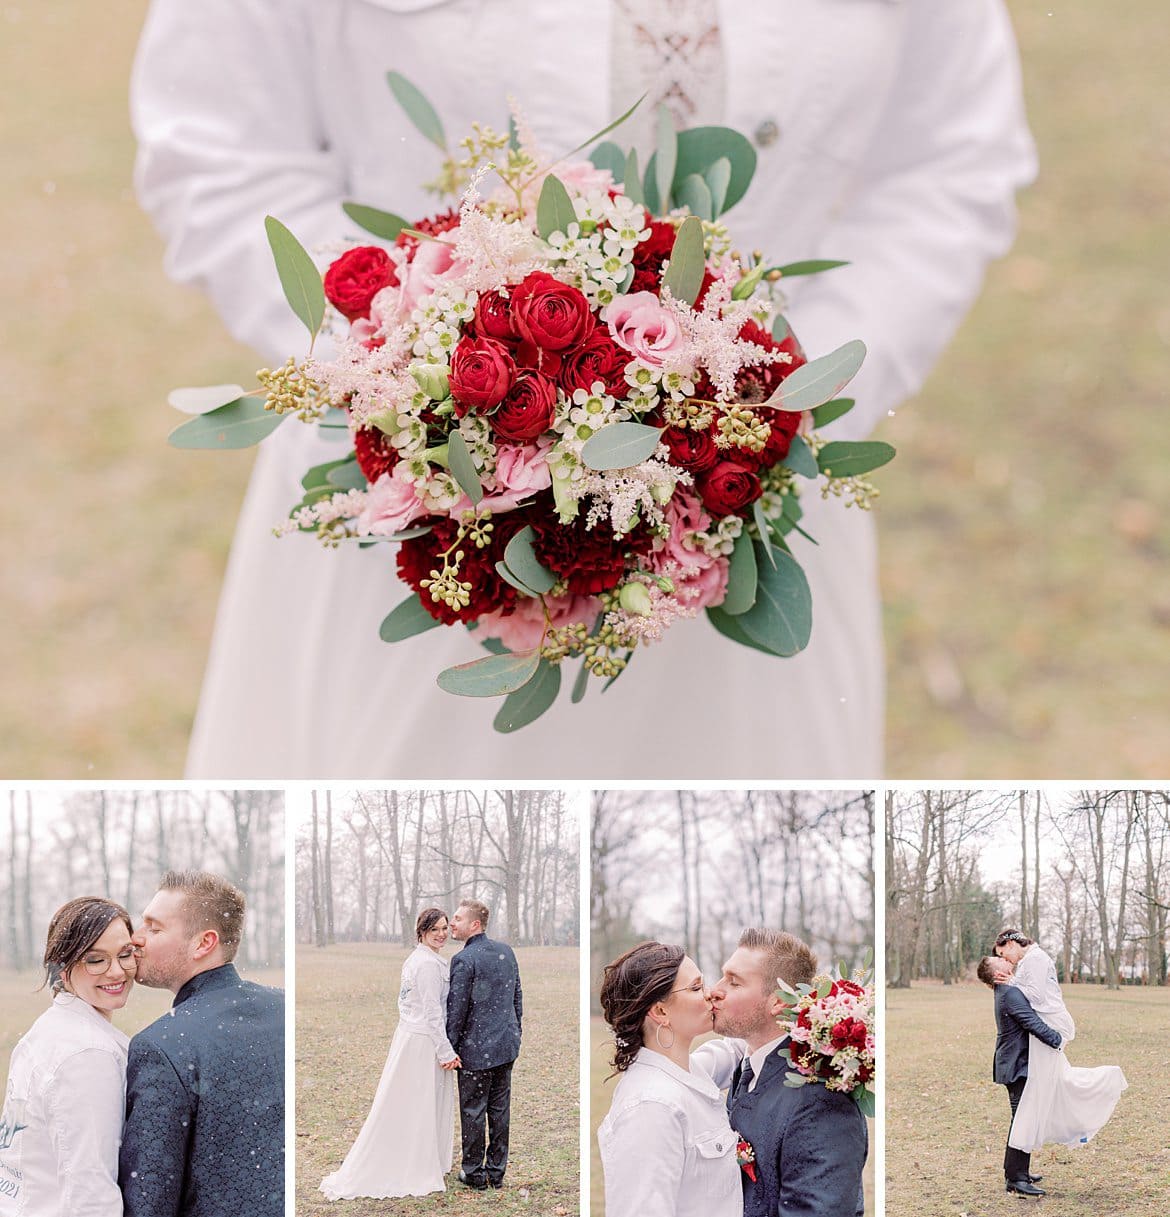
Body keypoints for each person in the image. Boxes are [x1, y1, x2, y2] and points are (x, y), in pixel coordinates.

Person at [130, 1, 1037, 779]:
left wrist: (779, 389)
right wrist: (414, 365)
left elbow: (951, 158)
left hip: (758, 500)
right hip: (431, 505)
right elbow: (217, 143)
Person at [118, 871, 284, 1217]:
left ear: (203, 943)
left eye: (154, 927)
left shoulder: (162, 1047)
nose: (136, 938)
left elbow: (149, 1201)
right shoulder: (282, 1007)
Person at [710, 929, 867, 1217]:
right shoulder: (749, 1067)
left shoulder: (820, 1100)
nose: (715, 991)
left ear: (779, 1001)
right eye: (723, 977)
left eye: (734, 982)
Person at [0, 898, 136, 1217]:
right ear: (62, 968)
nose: (116, 971)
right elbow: (90, 1193)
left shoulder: (50, 1029)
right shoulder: (87, 1055)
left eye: (125, 954)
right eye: (95, 960)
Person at [321, 907, 460, 1200]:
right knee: (417, 1102)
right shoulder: (425, 965)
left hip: (411, 1036)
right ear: (422, 931)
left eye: (445, 928)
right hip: (422, 1042)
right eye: (435, 929)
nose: (441, 934)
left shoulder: (425, 959)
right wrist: (445, 1050)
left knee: (413, 1100)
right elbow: (432, 1012)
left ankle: (423, 1155)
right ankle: (413, 1162)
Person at [597, 941, 744, 1217]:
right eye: (696, 987)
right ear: (661, 1012)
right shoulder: (651, 1107)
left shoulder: (685, 1071)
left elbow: (735, 1049)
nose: (710, 993)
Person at [992, 930, 1127, 1154]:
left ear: (1012, 943)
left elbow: (1037, 998)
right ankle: (1021, 1166)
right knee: (1050, 1085)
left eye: (1003, 953)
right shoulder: (1030, 960)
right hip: (1047, 1023)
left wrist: (1012, 981)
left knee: (1046, 1088)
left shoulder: (1035, 959)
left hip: (1052, 1023)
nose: (1005, 959)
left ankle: (1091, 1101)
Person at [445, 899, 522, 1189]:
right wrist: (516, 1032)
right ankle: (496, 1173)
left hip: (476, 1052)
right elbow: (518, 996)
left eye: (457, 918)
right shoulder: (506, 951)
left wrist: (449, 1048)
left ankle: (475, 1174)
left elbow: (457, 1011)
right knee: (500, 1111)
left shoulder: (464, 960)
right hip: (505, 1046)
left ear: (474, 925)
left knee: (473, 1112)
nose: (452, 923)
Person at [976, 954, 1063, 1197]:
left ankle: (1016, 1172)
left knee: (1022, 1119)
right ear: (996, 974)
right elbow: (1031, 1021)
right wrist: (1056, 1039)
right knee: (1022, 1120)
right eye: (998, 960)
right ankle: (1016, 1178)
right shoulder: (1010, 994)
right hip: (1016, 1065)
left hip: (1013, 1062)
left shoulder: (1006, 990)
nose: (1004, 959)